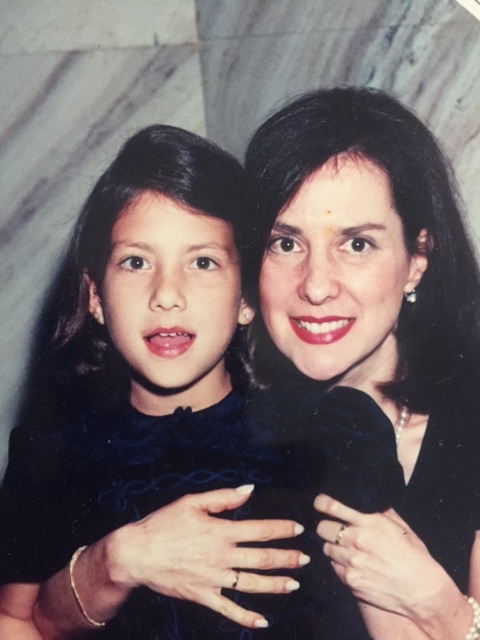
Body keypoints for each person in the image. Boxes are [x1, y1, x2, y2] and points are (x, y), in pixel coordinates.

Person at [0, 123, 403, 640]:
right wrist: (115, 562)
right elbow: (18, 620)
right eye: (136, 261)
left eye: (203, 262)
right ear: (96, 295)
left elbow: (394, 619)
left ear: (246, 297)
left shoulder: (326, 432)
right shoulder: (53, 453)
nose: (167, 294)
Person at [243, 86, 480, 639]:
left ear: (417, 260)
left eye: (356, 244)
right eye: (285, 243)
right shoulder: (216, 427)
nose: (317, 286)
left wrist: (438, 606)